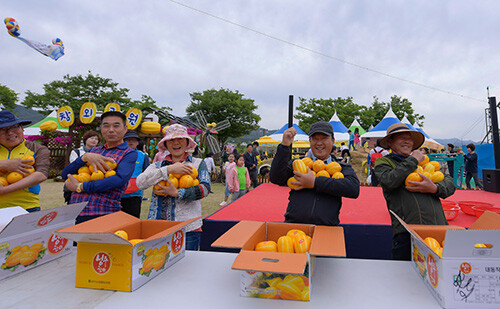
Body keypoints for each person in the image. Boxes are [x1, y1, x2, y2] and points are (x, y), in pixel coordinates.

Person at [374, 123, 455, 261]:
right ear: (390, 142)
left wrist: (434, 188)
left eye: (409, 138)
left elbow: (449, 184)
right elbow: (389, 180)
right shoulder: (384, 162)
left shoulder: (425, 163)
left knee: (440, 274)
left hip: (439, 229)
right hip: (407, 233)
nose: (407, 141)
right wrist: (413, 160)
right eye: (401, 137)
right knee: (406, 277)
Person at [269, 121, 360, 226]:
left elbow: (353, 189)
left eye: (324, 138)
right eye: (315, 139)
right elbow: (276, 177)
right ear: (310, 141)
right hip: (294, 226)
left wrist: (315, 182)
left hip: (327, 229)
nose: (319, 143)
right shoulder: (298, 164)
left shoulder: (341, 167)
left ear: (333, 141)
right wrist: (284, 146)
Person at [136, 124, 210, 250]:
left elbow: (205, 188)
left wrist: (177, 193)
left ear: (187, 142)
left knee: (186, 266)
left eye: (180, 139)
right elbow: (140, 183)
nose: (176, 143)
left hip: (189, 229)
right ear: (165, 145)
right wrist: (169, 169)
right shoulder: (157, 166)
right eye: (171, 140)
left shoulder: (198, 164)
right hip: (159, 227)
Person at [62, 111, 137, 224]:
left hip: (103, 212)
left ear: (125, 129)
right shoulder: (94, 151)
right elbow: (65, 174)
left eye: (116, 126)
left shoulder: (129, 153)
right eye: (106, 125)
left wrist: (81, 186)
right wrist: (84, 157)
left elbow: (119, 179)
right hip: (75, 211)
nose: (110, 130)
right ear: (101, 129)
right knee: (76, 242)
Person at [0, 110, 50, 212]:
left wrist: (5, 190)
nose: (9, 133)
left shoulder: (38, 149)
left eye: (14, 127)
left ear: (22, 128)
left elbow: (42, 174)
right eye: (2, 130)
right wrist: (4, 164)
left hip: (27, 208)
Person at [64, 130, 101, 204]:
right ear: (85, 139)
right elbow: (74, 166)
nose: (94, 140)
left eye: (96, 139)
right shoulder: (76, 152)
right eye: (91, 138)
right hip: (78, 180)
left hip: (94, 180)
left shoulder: (100, 152)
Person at [120, 131, 150, 218]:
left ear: (137, 142)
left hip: (135, 193)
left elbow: (147, 172)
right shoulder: (117, 154)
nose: (131, 142)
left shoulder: (143, 156)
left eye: (134, 140)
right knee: (117, 220)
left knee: (133, 218)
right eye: (128, 140)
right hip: (118, 192)